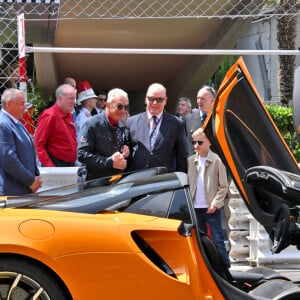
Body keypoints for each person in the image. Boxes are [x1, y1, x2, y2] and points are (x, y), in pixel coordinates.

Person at [187, 127, 230, 268]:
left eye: (200, 142)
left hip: (211, 207)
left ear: (209, 143)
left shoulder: (216, 160)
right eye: (194, 142)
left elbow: (223, 186)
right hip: (195, 208)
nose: (196, 146)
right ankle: (205, 268)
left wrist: (215, 204)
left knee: (217, 239)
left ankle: (225, 268)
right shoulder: (191, 161)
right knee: (200, 240)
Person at [126, 83, 187, 172]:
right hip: (136, 180)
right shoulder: (131, 122)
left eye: (159, 99)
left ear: (165, 100)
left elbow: (182, 156)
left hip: (162, 181)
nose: (155, 103)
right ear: (146, 99)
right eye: (151, 99)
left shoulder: (176, 123)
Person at [77, 88, 130, 180]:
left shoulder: (121, 124)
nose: (123, 111)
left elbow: (124, 141)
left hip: (118, 181)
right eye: (120, 107)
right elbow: (82, 154)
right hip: (97, 183)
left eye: (126, 107)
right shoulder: (92, 124)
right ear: (108, 105)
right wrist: (109, 162)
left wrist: (126, 146)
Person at [0, 88, 42, 195]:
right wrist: (31, 181)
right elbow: (8, 159)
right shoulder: (3, 124)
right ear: (9, 104)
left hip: (22, 189)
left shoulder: (16, 122)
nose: (25, 108)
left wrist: (35, 177)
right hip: (11, 192)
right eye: (21, 104)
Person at [35, 84, 77, 167]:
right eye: (71, 98)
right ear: (60, 98)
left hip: (68, 165)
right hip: (56, 164)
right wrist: (50, 167)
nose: (74, 102)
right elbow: (38, 144)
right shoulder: (50, 115)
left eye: (75, 98)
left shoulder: (69, 115)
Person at [185, 86, 216, 156]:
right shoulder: (189, 117)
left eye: (203, 99)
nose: (199, 101)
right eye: (198, 98)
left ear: (212, 101)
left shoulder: (218, 117)